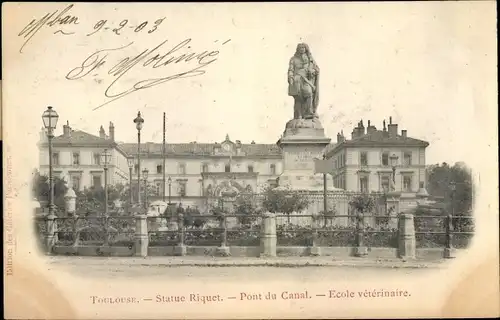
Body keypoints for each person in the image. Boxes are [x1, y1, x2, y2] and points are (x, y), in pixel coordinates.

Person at [288, 43, 320, 119]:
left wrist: (312, 71)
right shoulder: (293, 59)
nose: (302, 49)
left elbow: (316, 69)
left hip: (307, 80)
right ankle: (299, 115)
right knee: (298, 98)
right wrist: (290, 77)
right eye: (300, 47)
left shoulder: (310, 59)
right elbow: (291, 70)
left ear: (306, 49)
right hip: (297, 79)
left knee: (309, 92)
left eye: (303, 47)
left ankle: (308, 112)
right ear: (297, 49)